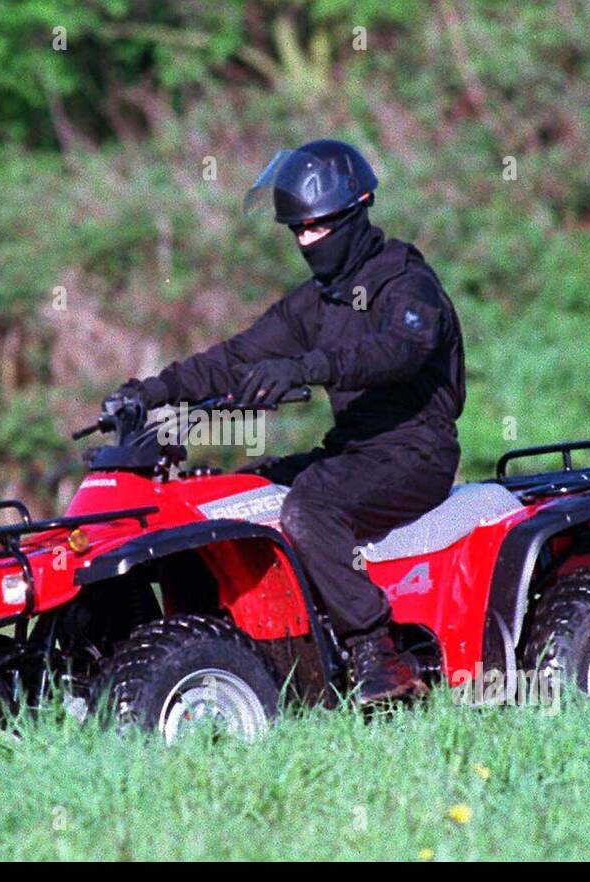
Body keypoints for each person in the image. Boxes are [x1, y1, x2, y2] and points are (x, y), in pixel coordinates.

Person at [107, 139, 465, 702]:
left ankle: (378, 652)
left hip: (416, 454)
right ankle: (230, 651)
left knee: (310, 508)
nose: (305, 242)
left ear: (358, 209)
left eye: (316, 229)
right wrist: (150, 393)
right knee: (232, 492)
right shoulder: (317, 301)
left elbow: (402, 349)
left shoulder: (406, 282)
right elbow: (233, 357)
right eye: (297, 231)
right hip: (351, 451)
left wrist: (308, 366)